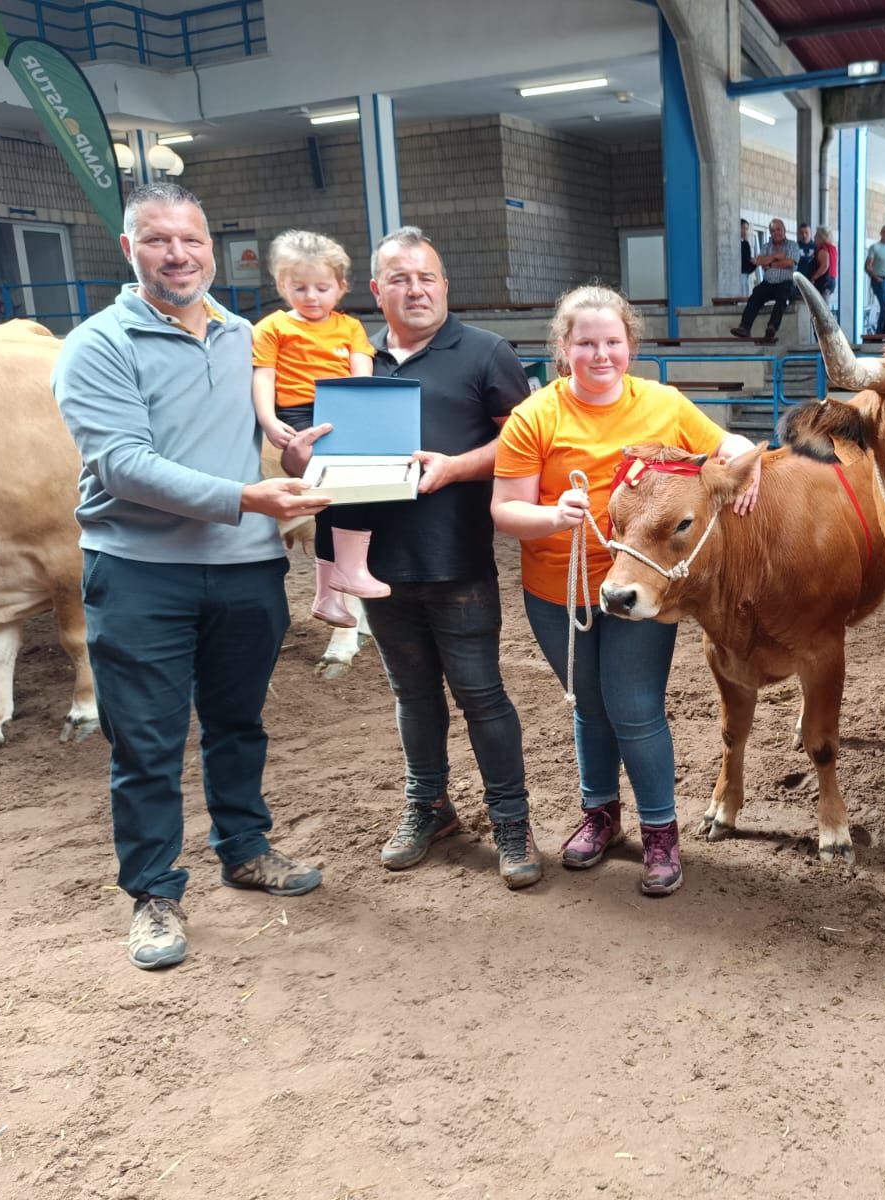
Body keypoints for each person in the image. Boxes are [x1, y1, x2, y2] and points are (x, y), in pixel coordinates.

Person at [53, 183, 328, 971]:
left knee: (240, 723)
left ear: (212, 247)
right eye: (158, 239)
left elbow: (258, 442)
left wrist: (296, 457)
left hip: (244, 570)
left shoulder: (245, 336)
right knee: (145, 741)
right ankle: (154, 894)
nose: (178, 253)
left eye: (192, 239)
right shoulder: (98, 345)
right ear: (129, 248)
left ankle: (244, 846)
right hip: (141, 573)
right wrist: (245, 497)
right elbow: (123, 465)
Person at [285, 226, 540, 887]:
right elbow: (324, 459)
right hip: (378, 569)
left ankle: (511, 821)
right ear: (376, 290)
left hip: (456, 562)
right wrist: (298, 457)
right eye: (399, 278)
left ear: (445, 286)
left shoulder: (485, 353)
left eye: (426, 277)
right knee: (411, 695)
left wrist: (457, 468)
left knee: (482, 695)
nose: (415, 288)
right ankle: (429, 806)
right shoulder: (354, 365)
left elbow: (527, 440)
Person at [490, 286, 762, 897]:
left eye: (612, 341)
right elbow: (505, 511)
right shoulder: (536, 415)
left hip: (646, 588)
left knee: (635, 709)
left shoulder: (663, 403)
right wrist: (551, 515)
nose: (600, 354)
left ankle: (660, 833)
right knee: (590, 705)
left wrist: (750, 463)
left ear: (630, 346)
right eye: (585, 343)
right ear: (563, 349)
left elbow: (731, 445)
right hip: (558, 589)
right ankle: (601, 816)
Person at [249, 229, 380, 628]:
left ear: (340, 288)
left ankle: (332, 588)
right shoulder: (272, 327)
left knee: (347, 496)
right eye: (299, 287)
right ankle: (342, 577)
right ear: (281, 285)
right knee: (335, 495)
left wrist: (364, 410)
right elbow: (263, 377)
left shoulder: (350, 327)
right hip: (299, 417)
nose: (311, 297)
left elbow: (362, 370)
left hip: (340, 409)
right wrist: (269, 419)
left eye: (321, 287)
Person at [729, 218, 796, 342]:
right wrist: (776, 256)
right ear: (770, 233)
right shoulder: (766, 246)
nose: (776, 233)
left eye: (778, 229)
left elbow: (789, 262)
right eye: (773, 231)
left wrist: (770, 263)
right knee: (755, 295)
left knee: (782, 298)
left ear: (784, 230)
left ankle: (772, 327)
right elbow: (759, 261)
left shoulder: (792, 245)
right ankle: (745, 327)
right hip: (768, 283)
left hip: (785, 282)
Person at [864, 223, 885, 335]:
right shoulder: (875, 247)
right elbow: (867, 266)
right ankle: (880, 333)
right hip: (880, 281)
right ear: (881, 233)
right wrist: (876, 277)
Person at [810, 226, 837, 303]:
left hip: (824, 282)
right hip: (831, 280)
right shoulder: (832, 249)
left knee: (822, 306)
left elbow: (825, 265)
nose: (814, 237)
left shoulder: (823, 249)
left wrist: (814, 277)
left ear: (820, 237)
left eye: (816, 235)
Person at [738, 219, 756, 294]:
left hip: (745, 274)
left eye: (746, 229)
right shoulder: (741, 244)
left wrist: (754, 263)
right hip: (739, 273)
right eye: (742, 228)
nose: (745, 231)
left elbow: (747, 259)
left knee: (745, 293)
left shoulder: (745, 243)